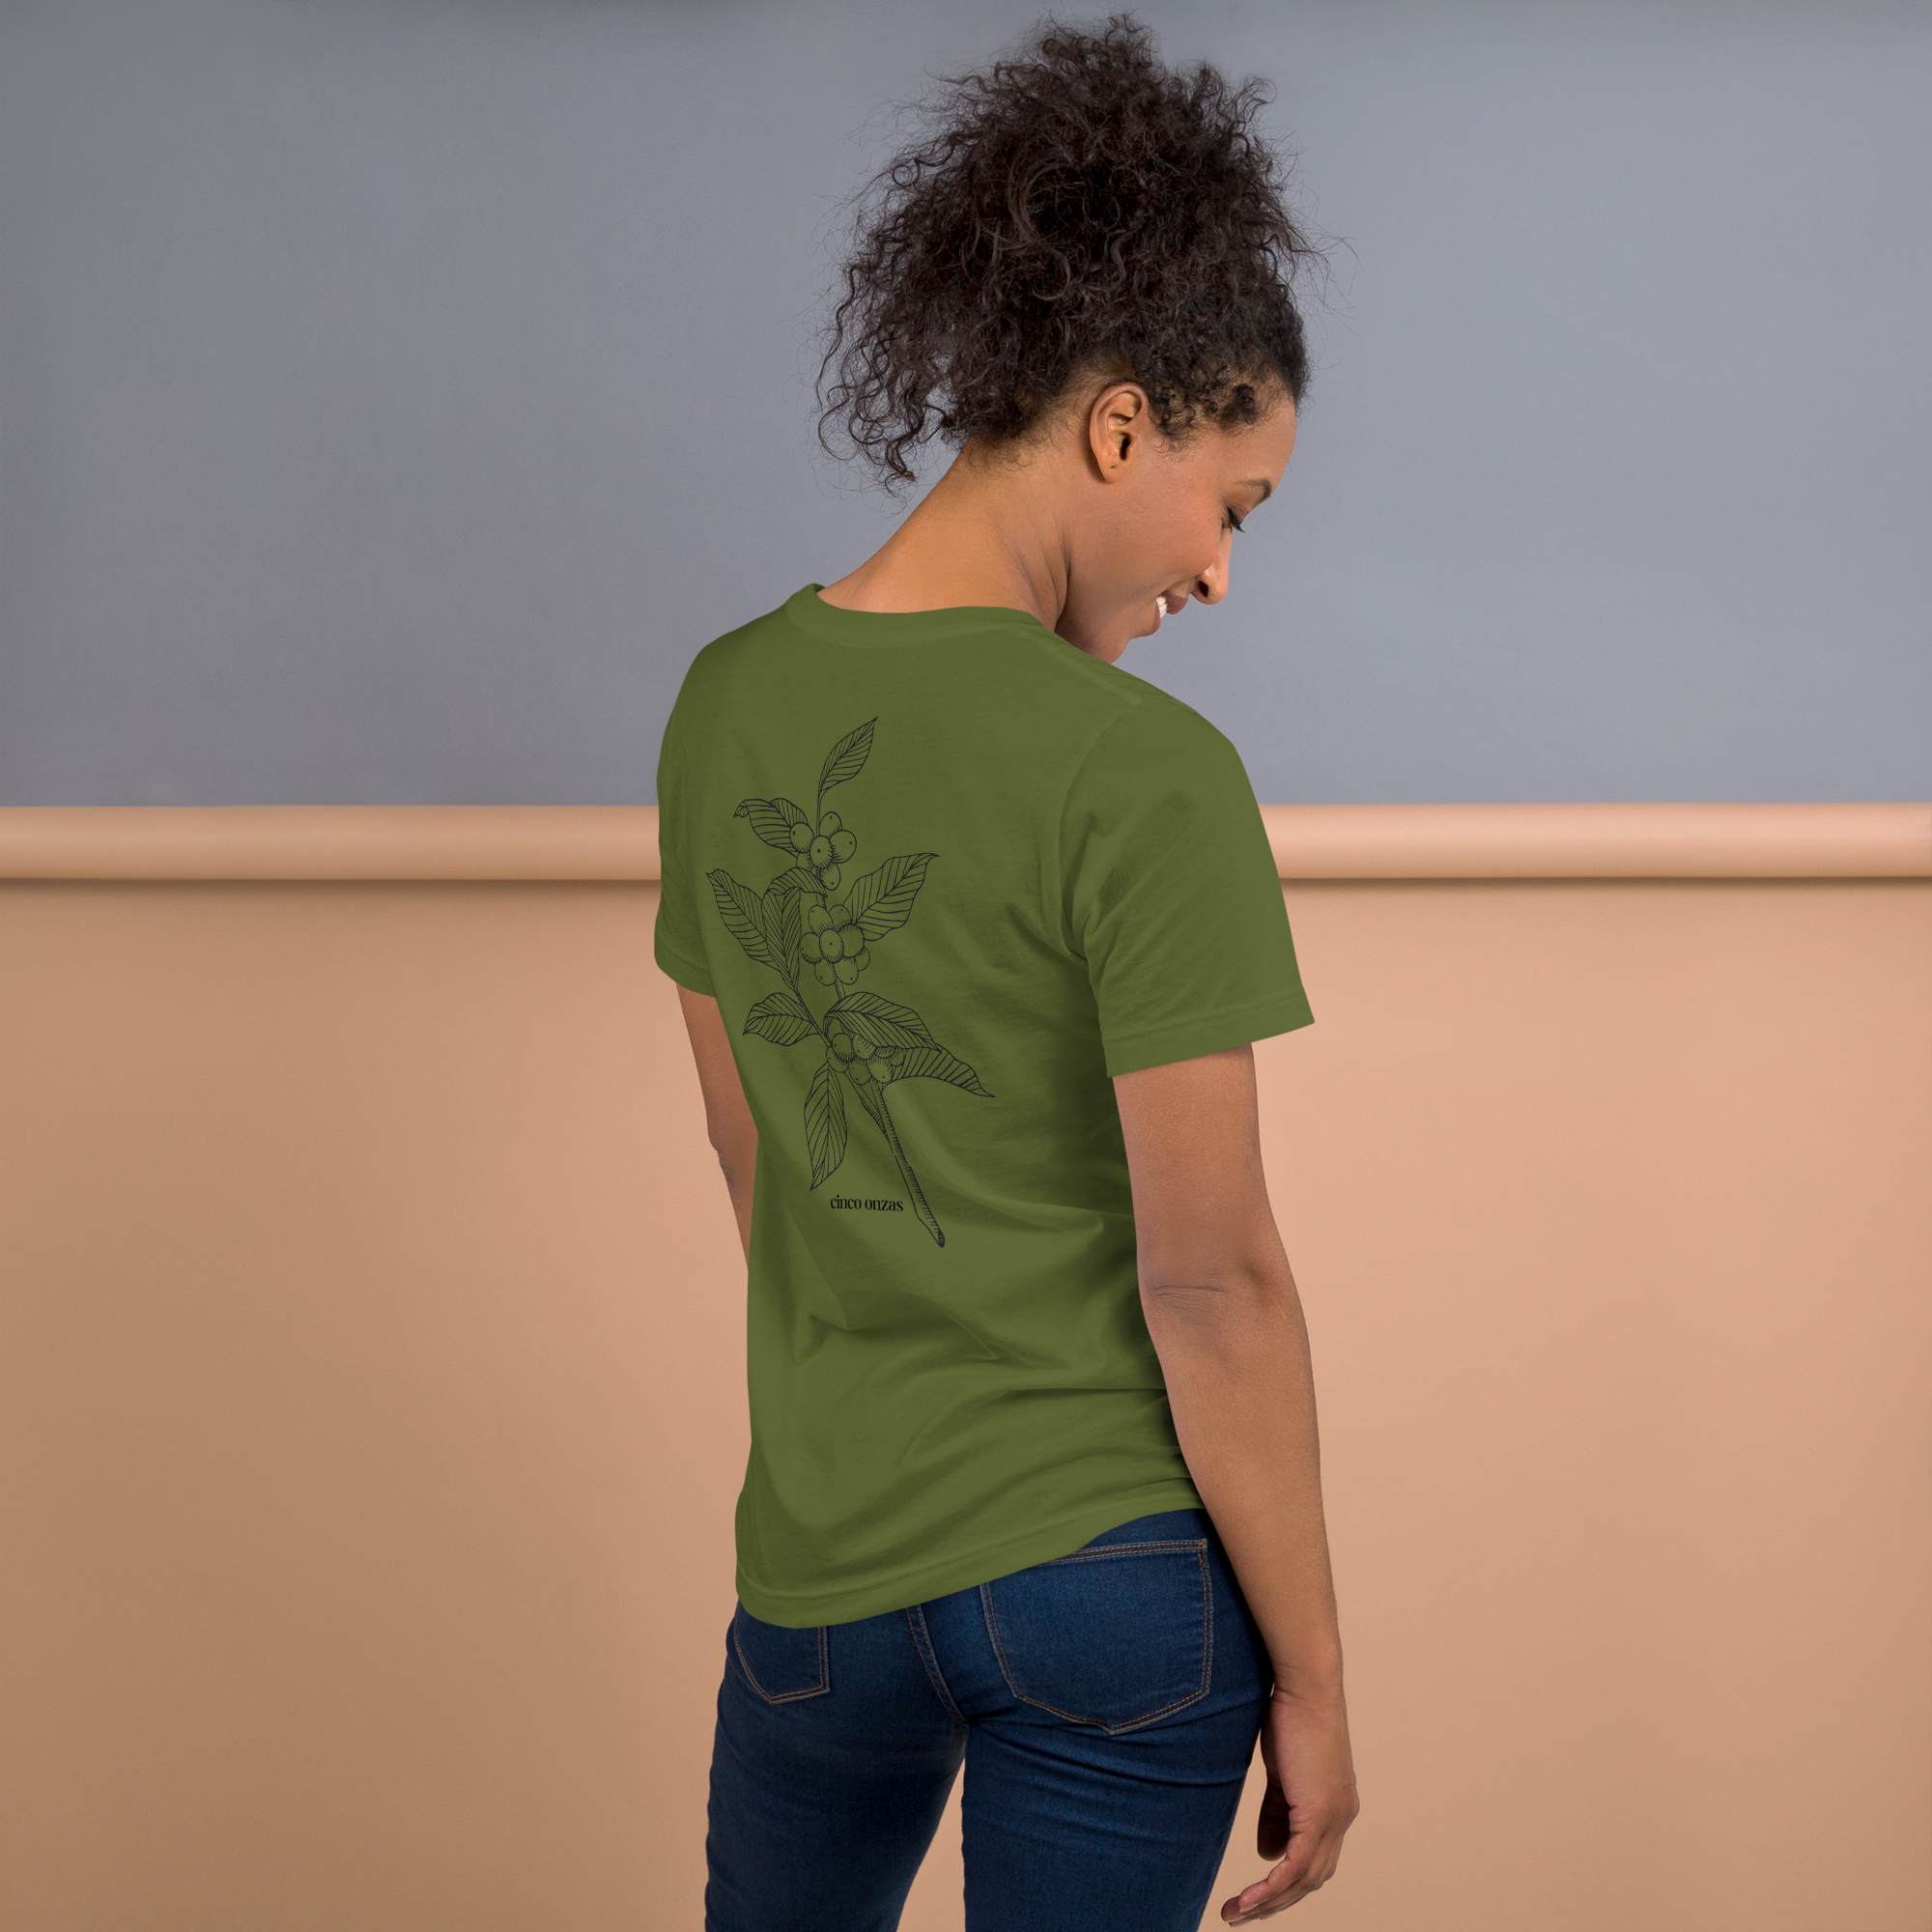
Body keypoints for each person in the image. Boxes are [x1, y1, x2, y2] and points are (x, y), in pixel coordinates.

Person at [654, 16, 1359, 1928]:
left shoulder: (725, 705)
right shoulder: (1146, 772)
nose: (1219, 575)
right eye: (1232, 507)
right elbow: (1211, 1277)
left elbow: (754, 1157)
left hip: (820, 1577)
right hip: (1108, 1585)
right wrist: (1310, 1673)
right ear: (1121, 427)